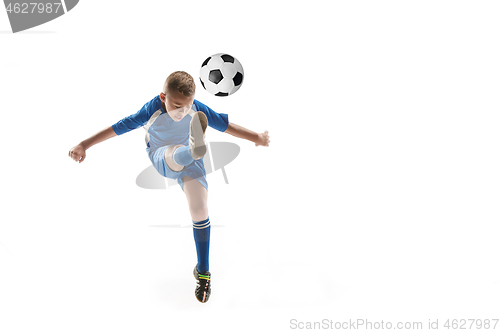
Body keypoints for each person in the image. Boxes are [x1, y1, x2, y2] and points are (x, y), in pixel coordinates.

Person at [68, 71, 270, 303]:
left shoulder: (197, 108)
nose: (182, 112)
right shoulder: (151, 109)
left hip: (193, 160)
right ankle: (193, 148)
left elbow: (225, 126)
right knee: (175, 154)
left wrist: (257, 137)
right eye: (176, 106)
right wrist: (84, 144)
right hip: (162, 155)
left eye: (187, 107)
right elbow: (119, 127)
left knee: (200, 209)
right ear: (163, 97)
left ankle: (203, 271)